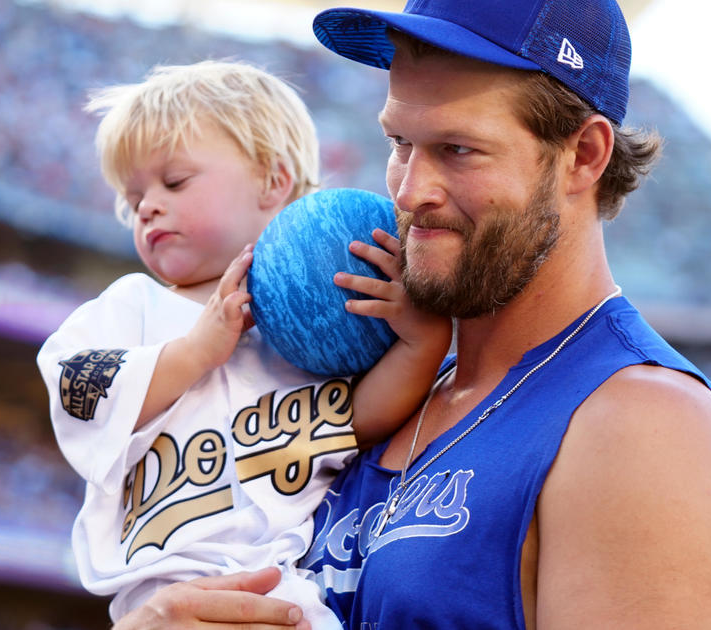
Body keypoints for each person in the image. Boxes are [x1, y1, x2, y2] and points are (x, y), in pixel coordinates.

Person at [112, 1, 711, 628]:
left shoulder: (646, 427)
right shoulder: (385, 375)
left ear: (585, 155)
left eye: (457, 150)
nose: (409, 189)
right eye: (400, 142)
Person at [35, 61, 451, 628]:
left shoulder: (311, 341)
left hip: (280, 592)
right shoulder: (131, 305)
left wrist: (423, 344)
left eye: (174, 182)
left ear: (273, 183)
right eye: (135, 201)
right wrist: (195, 351)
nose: (148, 206)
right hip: (157, 597)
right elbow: (75, 391)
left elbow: (356, 419)